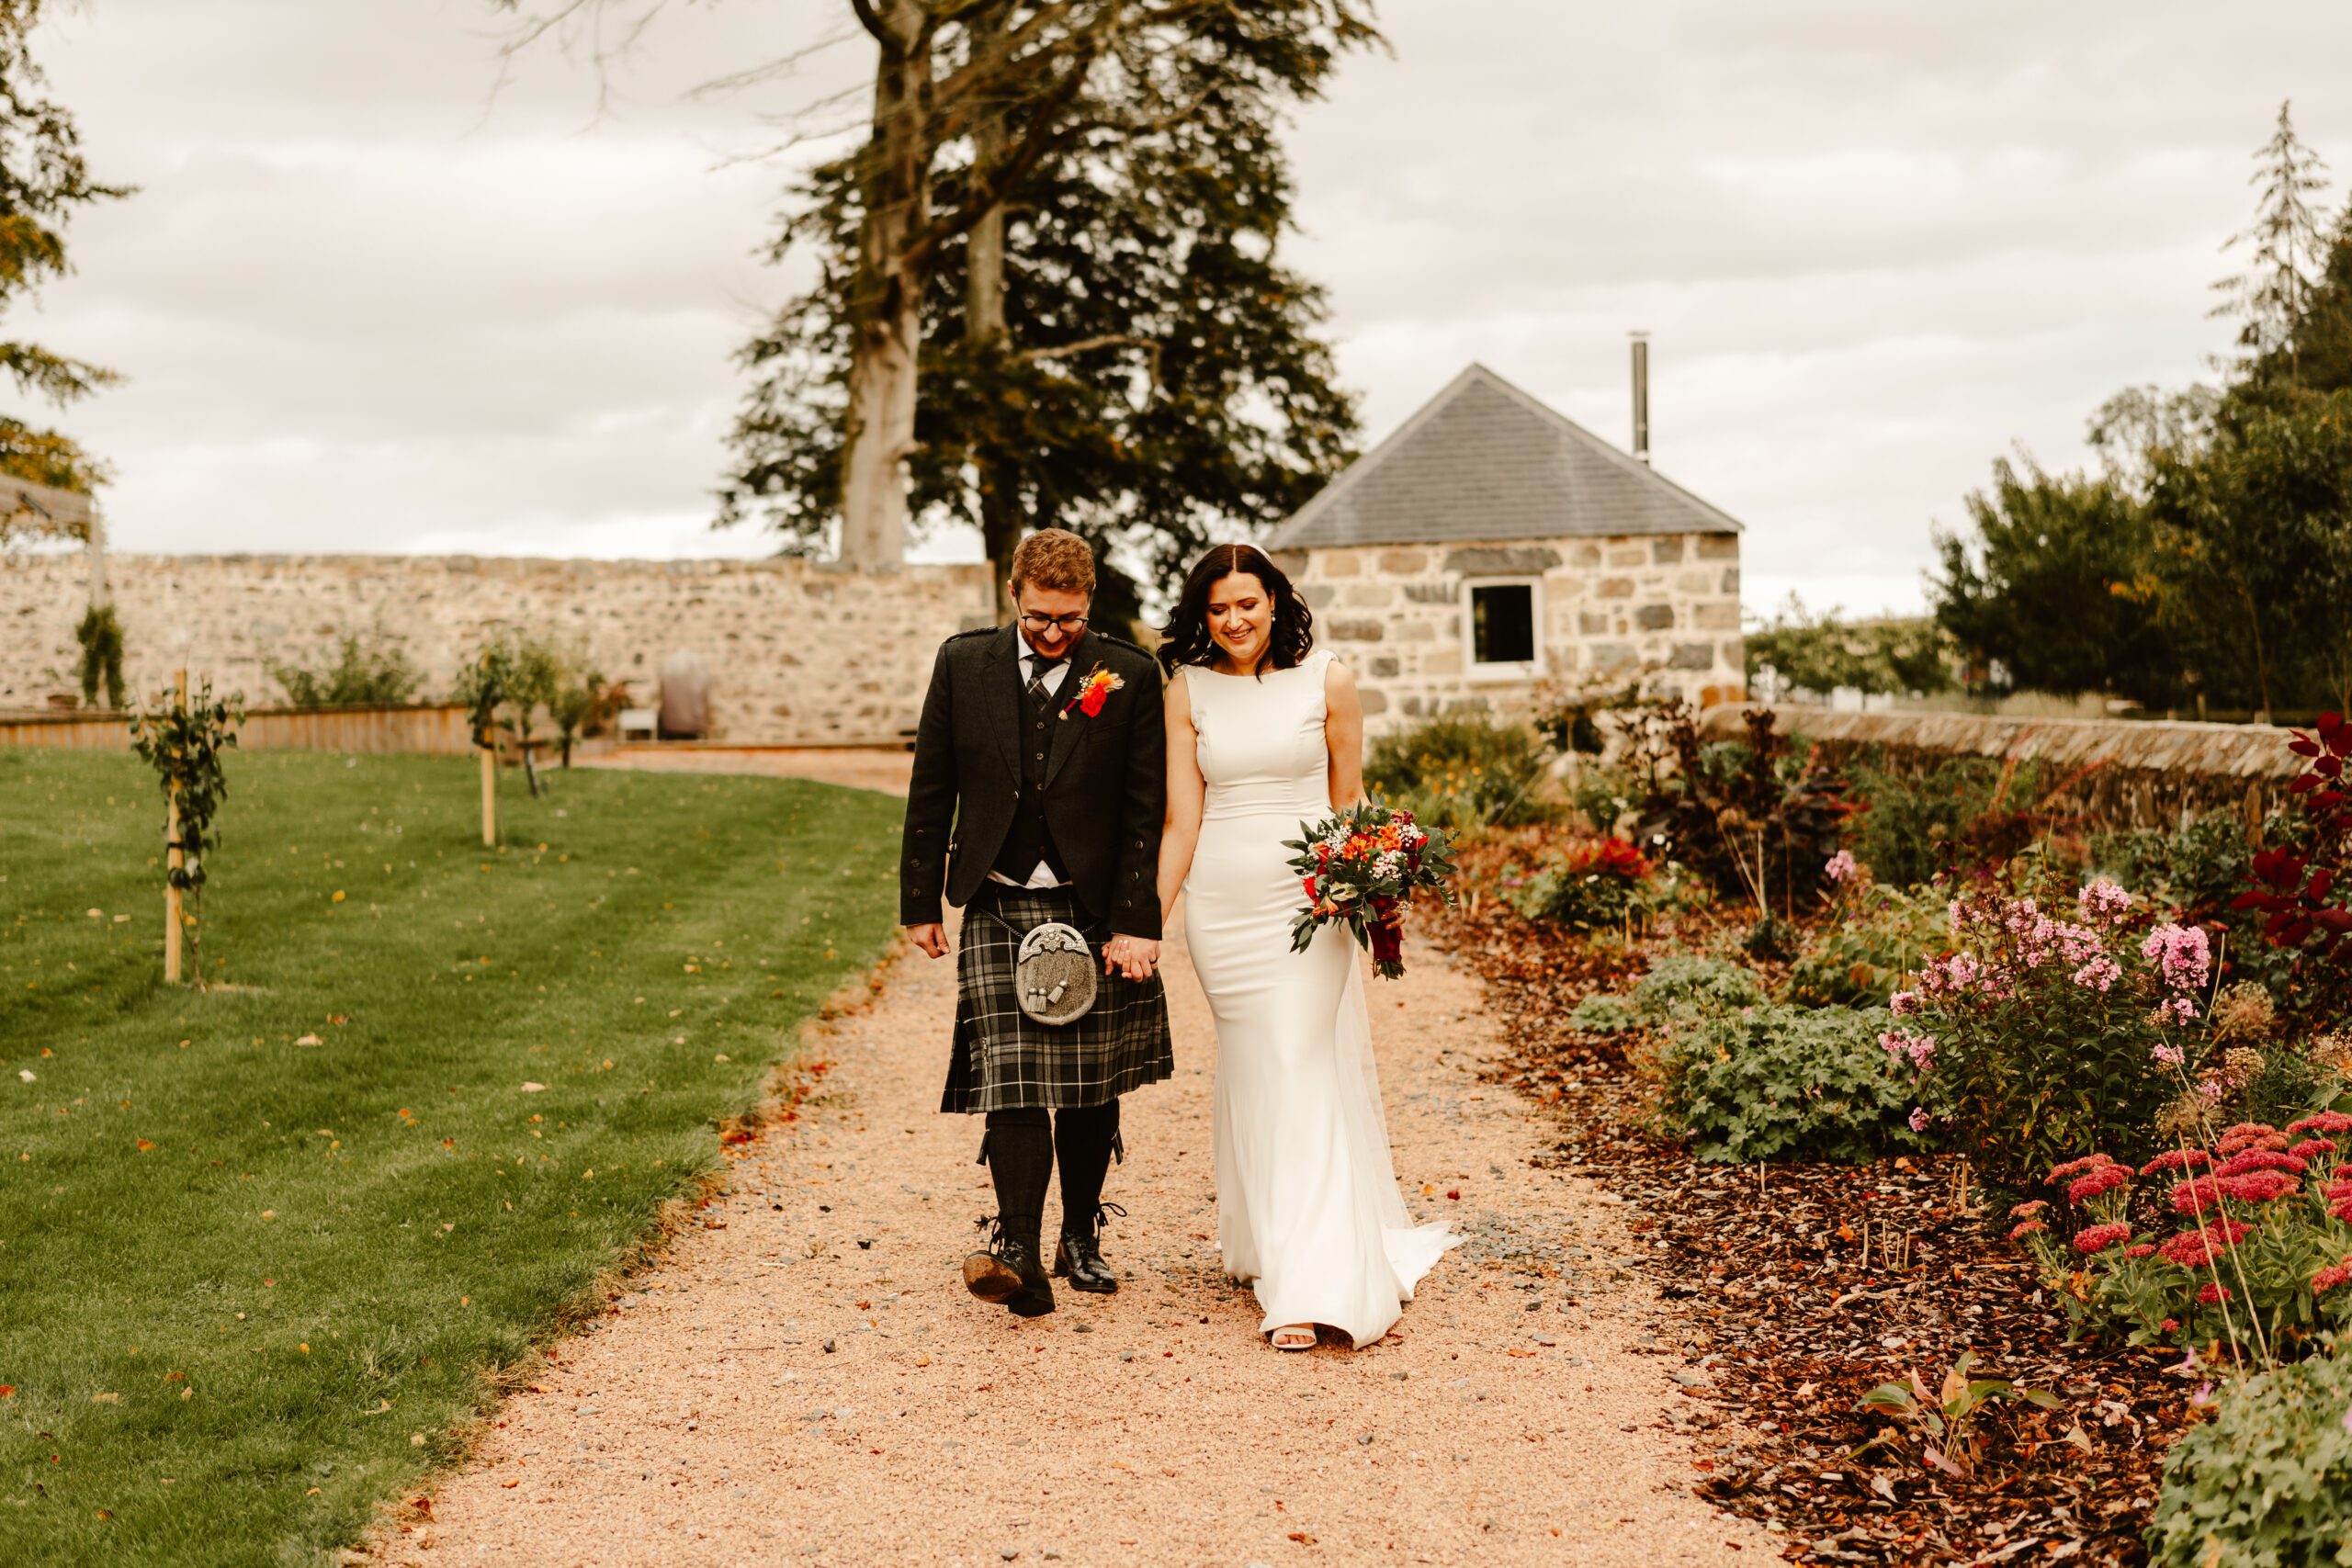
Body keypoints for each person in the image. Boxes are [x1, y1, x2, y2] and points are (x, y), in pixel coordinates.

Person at [1154, 543, 1456, 1350]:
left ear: (1277, 601)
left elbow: (1349, 799)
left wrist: (1371, 880)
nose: (1234, 620)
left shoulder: (1330, 679)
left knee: (1297, 1061)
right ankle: (1262, 1238)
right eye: (1217, 609)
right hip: (1220, 908)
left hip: (1309, 905)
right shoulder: (1186, 690)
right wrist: (1149, 919)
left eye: (1247, 603)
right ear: (1202, 616)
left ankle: (1312, 1283)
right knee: (1256, 1064)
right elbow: (1183, 819)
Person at [899, 528, 1172, 1319]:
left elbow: (1143, 810)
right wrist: (920, 901)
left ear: (1091, 605)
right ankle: (1017, 1245)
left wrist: (1136, 919)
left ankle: (1079, 1236)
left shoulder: (1126, 671)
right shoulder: (963, 663)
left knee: (1089, 1084)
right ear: (1014, 594)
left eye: (1071, 619)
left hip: (1091, 904)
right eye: (1041, 618)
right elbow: (931, 784)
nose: (1056, 633)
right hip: (997, 893)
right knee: (1012, 1076)